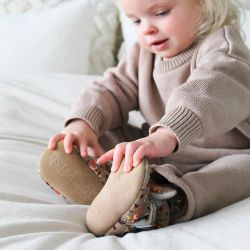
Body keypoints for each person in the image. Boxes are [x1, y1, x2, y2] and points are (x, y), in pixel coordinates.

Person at [39, 0, 250, 236]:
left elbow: (210, 89)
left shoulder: (224, 47)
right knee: (107, 136)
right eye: (136, 21)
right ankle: (103, 172)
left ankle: (165, 201)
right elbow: (113, 87)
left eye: (160, 13)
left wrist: (167, 134)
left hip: (222, 155)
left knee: (240, 171)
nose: (146, 29)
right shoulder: (144, 53)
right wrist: (84, 123)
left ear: (203, 3)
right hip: (157, 149)